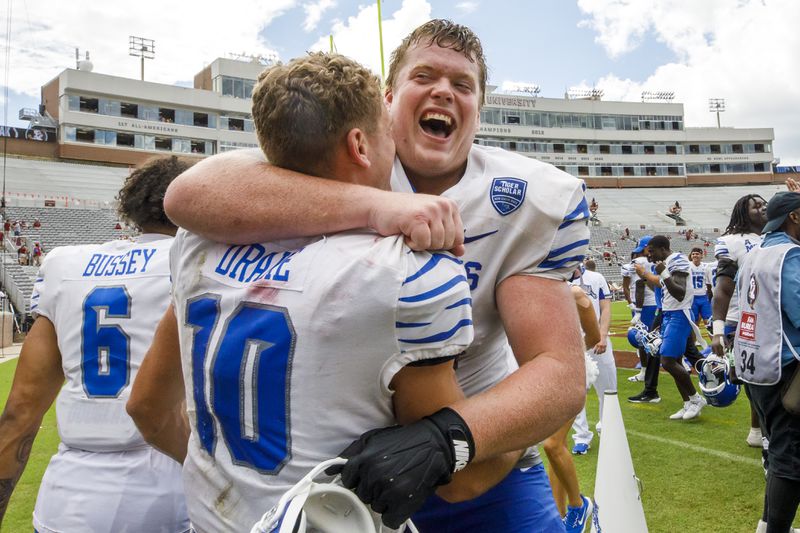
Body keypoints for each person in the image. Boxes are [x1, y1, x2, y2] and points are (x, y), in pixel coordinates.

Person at [163, 19, 588, 531]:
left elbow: (559, 370)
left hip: (481, 459)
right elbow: (187, 195)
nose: (443, 92)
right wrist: (375, 205)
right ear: (387, 99)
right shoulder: (332, 164)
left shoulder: (521, 197)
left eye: (462, 84)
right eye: (424, 76)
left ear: (479, 109)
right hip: (347, 477)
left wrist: (451, 436)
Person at [0, 156, 192, 532]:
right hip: (166, 495)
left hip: (67, 500)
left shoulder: (65, 264)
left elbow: (20, 413)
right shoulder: (194, 262)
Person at [733, 191, 800, 533]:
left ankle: (767, 525)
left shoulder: (755, 254)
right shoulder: (790, 257)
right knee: (791, 460)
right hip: (787, 371)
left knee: (779, 452)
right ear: (795, 217)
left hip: (756, 365)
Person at [541, 284, 599, 532]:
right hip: (544, 373)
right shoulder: (525, 290)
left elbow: (594, 337)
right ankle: (561, 513)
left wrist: (567, 353)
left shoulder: (574, 293)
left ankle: (579, 505)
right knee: (557, 446)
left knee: (552, 444)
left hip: (573, 371)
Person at [711, 194, 767, 447]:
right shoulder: (731, 242)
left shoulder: (779, 234)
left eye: (765, 203)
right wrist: (718, 330)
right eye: (756, 205)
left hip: (776, 317)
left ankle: (763, 430)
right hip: (744, 319)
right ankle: (760, 430)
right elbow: (723, 288)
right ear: (743, 213)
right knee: (753, 380)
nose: (763, 207)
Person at [635, 235, 707, 420]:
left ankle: (696, 398)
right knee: (674, 359)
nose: (649, 256)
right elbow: (664, 288)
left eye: (652, 251)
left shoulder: (679, 260)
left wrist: (664, 273)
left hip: (679, 314)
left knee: (667, 361)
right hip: (668, 313)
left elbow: (680, 293)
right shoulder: (668, 262)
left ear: (663, 248)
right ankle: (687, 403)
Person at [571, 259, 617, 454]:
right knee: (575, 393)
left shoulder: (596, 277)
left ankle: (607, 428)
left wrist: (603, 335)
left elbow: (605, 307)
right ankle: (581, 437)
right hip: (572, 344)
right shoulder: (555, 279)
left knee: (608, 389)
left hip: (597, 340)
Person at [622, 237, 659, 391]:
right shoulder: (658, 262)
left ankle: (645, 372)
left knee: (645, 339)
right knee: (654, 338)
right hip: (656, 304)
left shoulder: (640, 262)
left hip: (644, 307)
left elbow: (639, 286)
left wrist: (636, 310)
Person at [689, 247, 713, 330]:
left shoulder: (706, 267)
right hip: (692, 298)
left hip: (703, 297)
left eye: (697, 254)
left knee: (709, 322)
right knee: (694, 323)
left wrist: (709, 296)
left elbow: (709, 284)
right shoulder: (687, 266)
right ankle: (693, 342)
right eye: (693, 254)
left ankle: (714, 342)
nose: (695, 255)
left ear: (701, 256)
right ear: (691, 256)